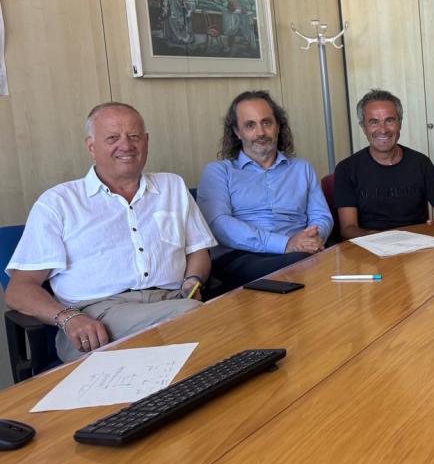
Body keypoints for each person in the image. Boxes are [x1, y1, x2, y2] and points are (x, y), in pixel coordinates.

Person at [5, 102, 216, 362]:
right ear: (91, 147)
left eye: (134, 136)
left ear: (146, 142)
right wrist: (69, 318)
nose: (126, 146)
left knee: (213, 323)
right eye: (112, 138)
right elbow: (19, 289)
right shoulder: (59, 202)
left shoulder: (172, 186)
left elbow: (198, 250)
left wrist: (193, 280)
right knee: (200, 321)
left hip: (173, 300)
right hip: (98, 318)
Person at [197, 90, 333, 292]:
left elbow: (321, 216)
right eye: (250, 125)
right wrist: (286, 244)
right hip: (241, 256)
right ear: (237, 132)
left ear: (278, 126)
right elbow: (219, 225)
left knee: (341, 258)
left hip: (302, 251)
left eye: (266, 123)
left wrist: (313, 239)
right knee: (307, 266)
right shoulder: (218, 172)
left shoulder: (301, 168)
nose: (260, 132)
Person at [333, 89, 434, 240]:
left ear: (400, 123)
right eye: (374, 122)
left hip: (418, 244)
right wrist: (378, 237)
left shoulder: (421, 163)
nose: (383, 130)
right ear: (363, 127)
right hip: (371, 246)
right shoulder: (346, 169)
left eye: (389, 120)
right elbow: (348, 229)